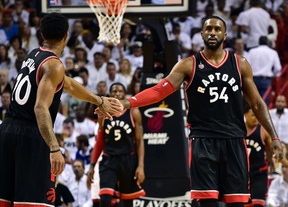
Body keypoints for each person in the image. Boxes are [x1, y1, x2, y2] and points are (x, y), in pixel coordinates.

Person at [115, 16, 283, 207]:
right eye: (208, 29)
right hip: (203, 141)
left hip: (234, 141)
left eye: (217, 29)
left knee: (236, 203)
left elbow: (258, 104)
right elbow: (159, 90)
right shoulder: (189, 64)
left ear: (225, 34)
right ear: (202, 34)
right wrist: (128, 102)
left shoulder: (240, 64)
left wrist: (274, 137)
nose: (212, 32)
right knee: (207, 203)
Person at [0, 13, 123, 206]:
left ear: (41, 34)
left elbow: (68, 84)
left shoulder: (34, 54)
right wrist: (54, 147)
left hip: (7, 132)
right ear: (66, 36)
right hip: (30, 137)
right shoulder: (54, 65)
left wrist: (99, 100)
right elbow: (40, 108)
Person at [88, 82, 145, 207]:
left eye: (120, 91)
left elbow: (140, 141)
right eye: (114, 91)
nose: (117, 93)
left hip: (128, 159)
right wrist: (92, 165)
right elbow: (100, 141)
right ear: (110, 94)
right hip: (109, 159)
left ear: (125, 94)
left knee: (127, 201)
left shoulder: (133, 112)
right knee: (105, 198)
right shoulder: (103, 114)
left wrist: (140, 166)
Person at [244, 103, 273, 207]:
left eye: (257, 115)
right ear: (245, 115)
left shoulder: (262, 131)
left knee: (258, 204)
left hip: (259, 173)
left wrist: (283, 162)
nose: (256, 118)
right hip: (242, 174)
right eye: (252, 115)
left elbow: (273, 151)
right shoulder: (238, 131)